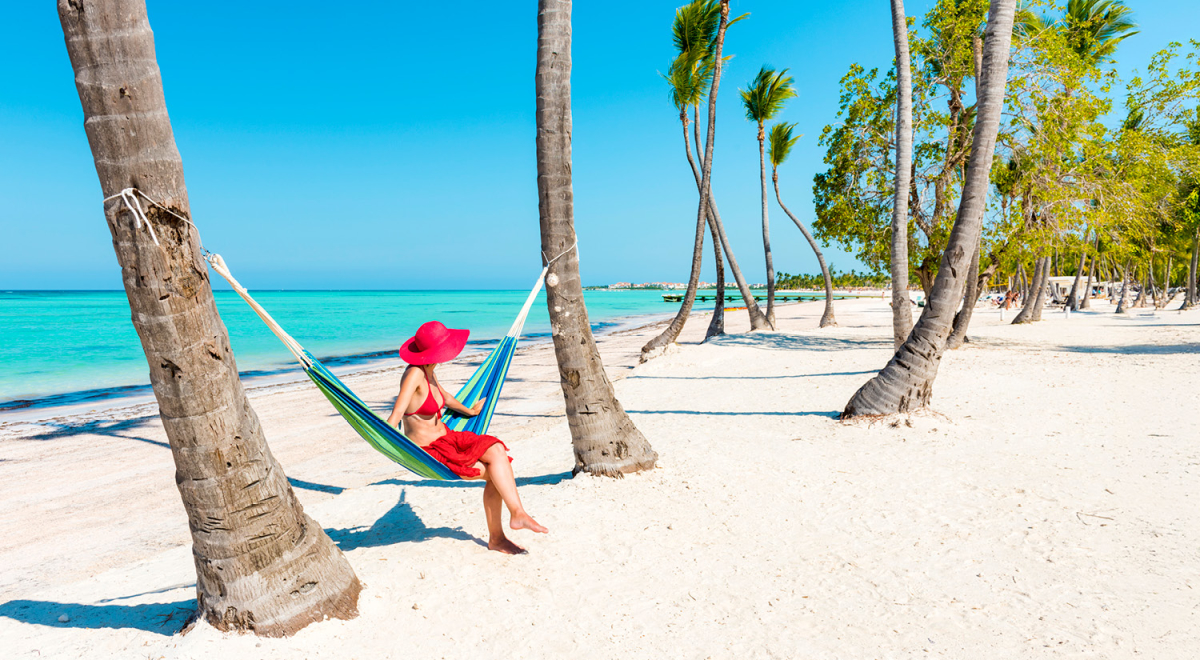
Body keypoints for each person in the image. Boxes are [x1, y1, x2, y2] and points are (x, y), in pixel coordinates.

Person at [386, 320, 547, 554]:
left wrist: (469, 411)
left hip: (450, 437)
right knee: (495, 474)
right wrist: (386, 440)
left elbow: (444, 396)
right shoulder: (414, 374)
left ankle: (517, 514)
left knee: (497, 450)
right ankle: (500, 535)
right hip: (431, 451)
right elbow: (397, 414)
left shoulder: (429, 371)